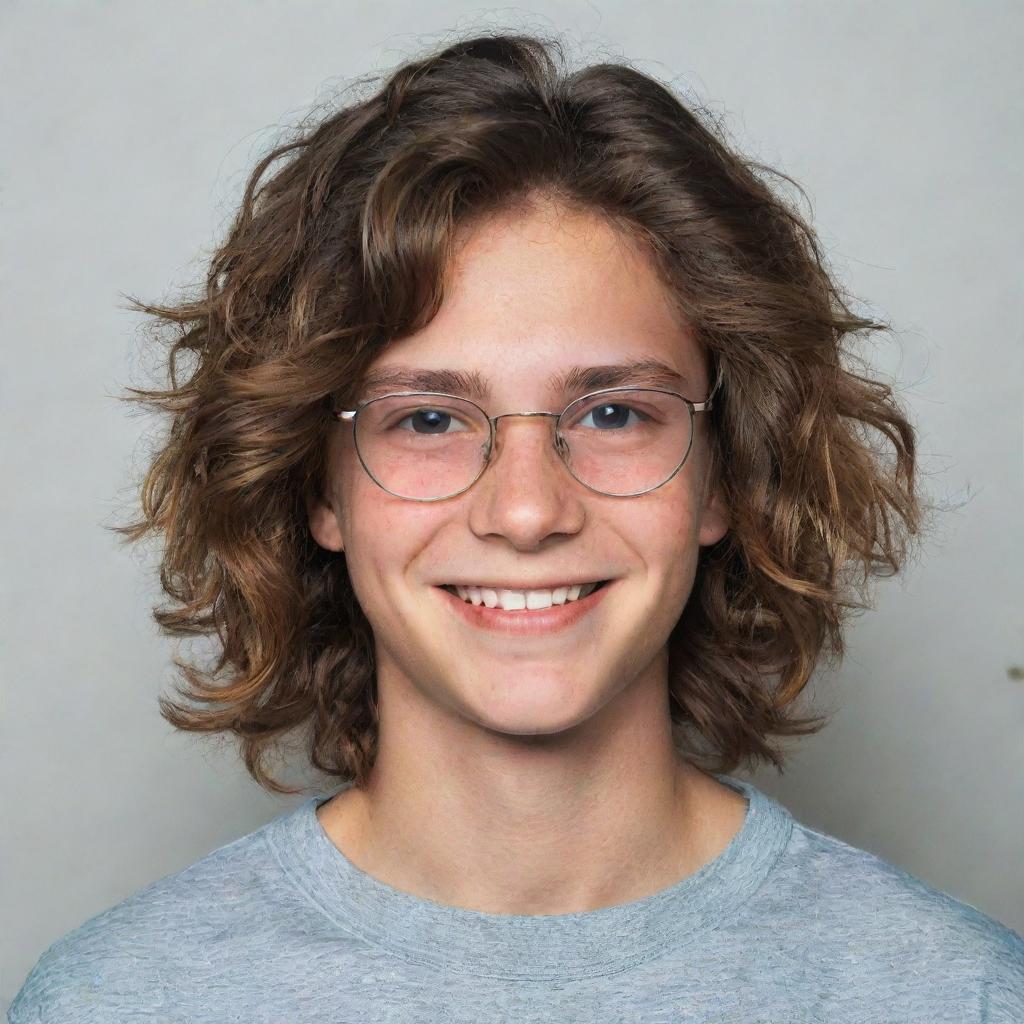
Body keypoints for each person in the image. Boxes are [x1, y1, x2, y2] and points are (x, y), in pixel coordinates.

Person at [9, 31, 1023, 1024]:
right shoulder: (124, 999)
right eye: (429, 419)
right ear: (317, 489)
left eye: (615, 412)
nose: (528, 510)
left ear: (723, 476)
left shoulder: (953, 995)